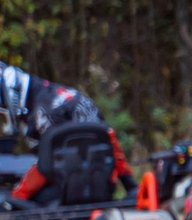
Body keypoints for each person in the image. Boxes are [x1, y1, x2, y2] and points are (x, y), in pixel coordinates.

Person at [0, 61, 131, 202]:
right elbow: (110, 143)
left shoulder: (42, 112)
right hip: (100, 184)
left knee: (13, 202)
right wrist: (130, 184)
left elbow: (47, 166)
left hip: (72, 190)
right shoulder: (49, 95)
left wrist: (17, 195)